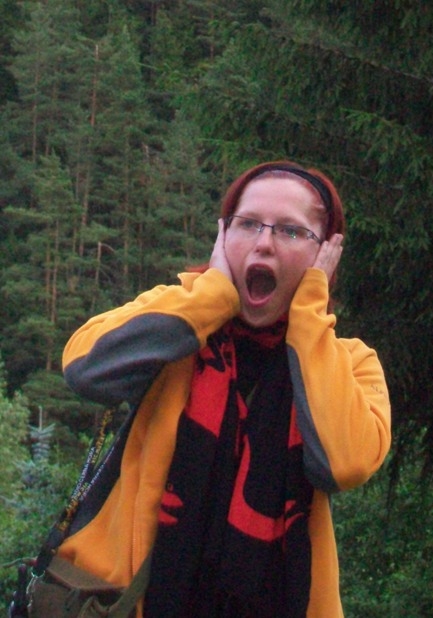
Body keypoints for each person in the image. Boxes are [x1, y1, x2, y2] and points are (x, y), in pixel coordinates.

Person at [60, 161, 391, 617]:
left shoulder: (352, 364)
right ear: (222, 235)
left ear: (326, 254)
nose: (264, 243)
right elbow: (84, 370)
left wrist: (309, 316)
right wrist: (211, 295)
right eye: (247, 224)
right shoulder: (180, 322)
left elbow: (344, 464)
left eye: (291, 231)